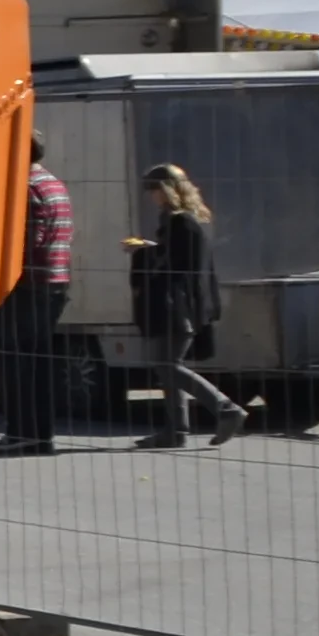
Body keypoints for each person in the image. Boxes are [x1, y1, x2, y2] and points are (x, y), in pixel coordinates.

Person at [127, 162, 242, 447]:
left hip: (178, 305)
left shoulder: (182, 221)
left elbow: (180, 267)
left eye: (154, 189)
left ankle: (226, 409)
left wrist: (145, 252)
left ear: (167, 189)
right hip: (182, 304)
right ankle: (176, 430)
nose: (151, 195)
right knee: (167, 365)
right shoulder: (187, 220)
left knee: (168, 365)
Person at [0, 138, 71, 454]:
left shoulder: (27, 188)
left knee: (16, 362)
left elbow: (28, 241)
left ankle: (21, 431)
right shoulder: (53, 183)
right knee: (38, 363)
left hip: (29, 284)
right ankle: (41, 434)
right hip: (55, 280)